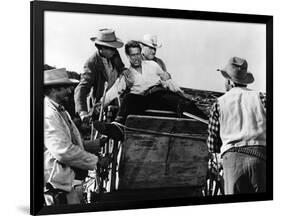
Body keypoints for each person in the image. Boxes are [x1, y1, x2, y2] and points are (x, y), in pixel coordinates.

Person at [93, 40, 207, 141]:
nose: (136, 58)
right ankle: (117, 127)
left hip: (159, 94)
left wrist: (180, 93)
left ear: (140, 53)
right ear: (127, 56)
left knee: (182, 102)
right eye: (132, 55)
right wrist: (100, 104)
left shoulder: (153, 65)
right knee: (129, 98)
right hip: (143, 100)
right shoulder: (127, 74)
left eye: (137, 54)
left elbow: (167, 81)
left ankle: (208, 124)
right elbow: (115, 90)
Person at [44, 68, 110, 205]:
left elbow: (69, 142)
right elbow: (63, 151)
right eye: (66, 88)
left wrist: (93, 144)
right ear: (54, 90)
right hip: (55, 184)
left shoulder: (60, 110)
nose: (69, 91)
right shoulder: (48, 115)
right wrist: (97, 161)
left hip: (63, 182)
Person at [207, 57, 266, 194]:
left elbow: (212, 144)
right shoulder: (262, 98)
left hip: (232, 163)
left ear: (229, 81)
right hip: (260, 160)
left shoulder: (218, 103)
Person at [74, 28, 128, 123]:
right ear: (100, 48)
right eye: (110, 48)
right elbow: (82, 87)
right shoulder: (91, 63)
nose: (114, 51)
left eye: (114, 48)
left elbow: (121, 68)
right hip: (101, 105)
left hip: (117, 99)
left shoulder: (114, 54)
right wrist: (83, 112)